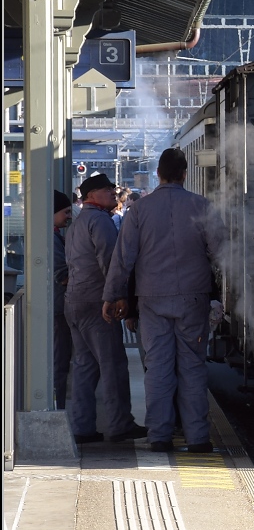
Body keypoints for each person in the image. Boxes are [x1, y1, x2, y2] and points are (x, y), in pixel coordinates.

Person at [103, 148, 225, 454]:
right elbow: (222, 253)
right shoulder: (202, 206)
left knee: (157, 368)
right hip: (193, 299)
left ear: (158, 173)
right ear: (185, 174)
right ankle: (197, 438)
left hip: (152, 299)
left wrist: (113, 296)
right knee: (192, 367)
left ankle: (159, 435)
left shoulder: (140, 211)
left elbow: (123, 258)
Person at [64, 173, 146, 444]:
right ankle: (119, 425)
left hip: (75, 302)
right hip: (97, 303)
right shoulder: (100, 222)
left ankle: (82, 427)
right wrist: (117, 297)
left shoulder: (77, 223)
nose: (113, 192)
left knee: (85, 367)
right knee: (113, 365)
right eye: (105, 189)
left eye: (112, 188)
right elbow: (111, 263)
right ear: (90, 196)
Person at [52, 190, 74, 410]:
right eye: (65, 212)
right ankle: (57, 410)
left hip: (57, 308)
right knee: (59, 364)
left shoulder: (55, 235)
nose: (69, 216)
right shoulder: (52, 239)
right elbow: (63, 275)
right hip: (58, 309)